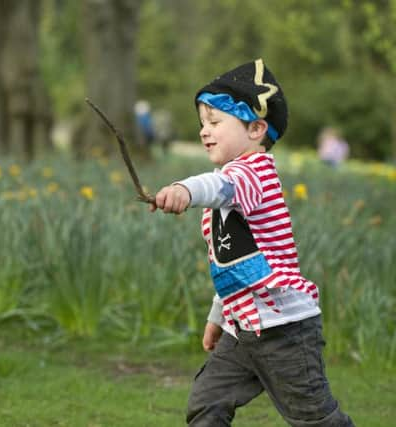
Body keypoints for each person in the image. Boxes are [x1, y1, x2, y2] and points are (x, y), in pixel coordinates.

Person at [149, 59, 355, 426]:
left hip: (285, 328)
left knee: (314, 419)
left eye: (215, 122)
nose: (204, 131)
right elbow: (234, 261)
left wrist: (184, 189)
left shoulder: (254, 174)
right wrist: (218, 316)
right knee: (206, 402)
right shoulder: (230, 177)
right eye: (201, 123)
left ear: (257, 128)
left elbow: (220, 188)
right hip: (242, 328)